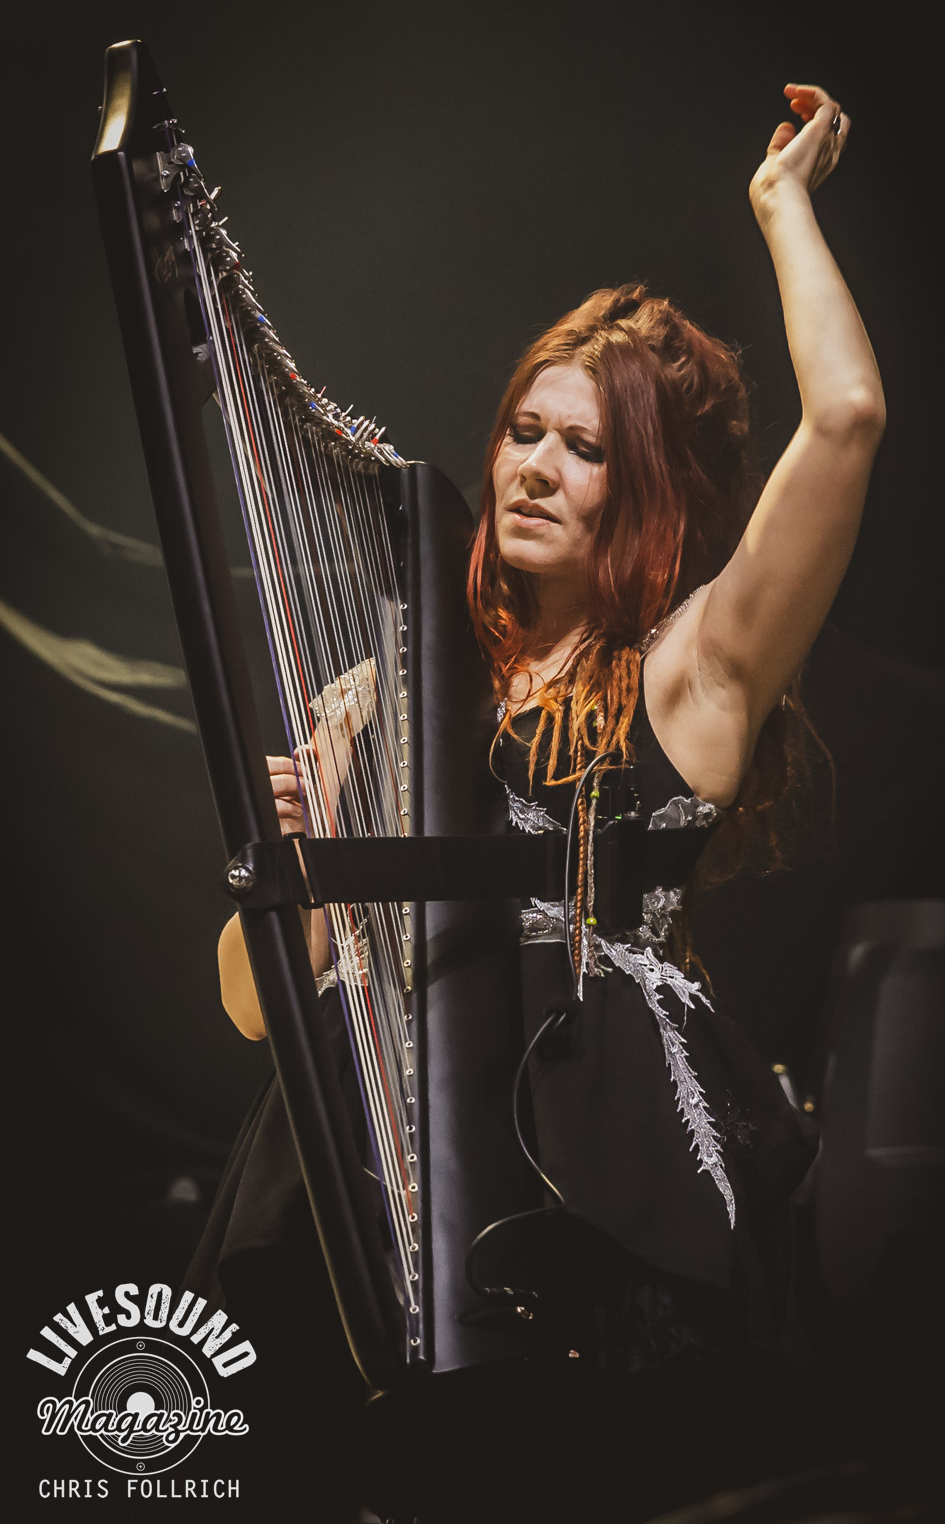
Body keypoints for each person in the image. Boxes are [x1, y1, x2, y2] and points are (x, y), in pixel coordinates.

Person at [201, 82, 884, 1522]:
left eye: (584, 448)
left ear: (644, 490)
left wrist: (781, 207)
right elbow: (260, 1010)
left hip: (590, 1192)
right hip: (389, 1192)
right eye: (523, 432)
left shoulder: (691, 673)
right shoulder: (392, 694)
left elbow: (846, 420)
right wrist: (303, 855)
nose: (534, 468)